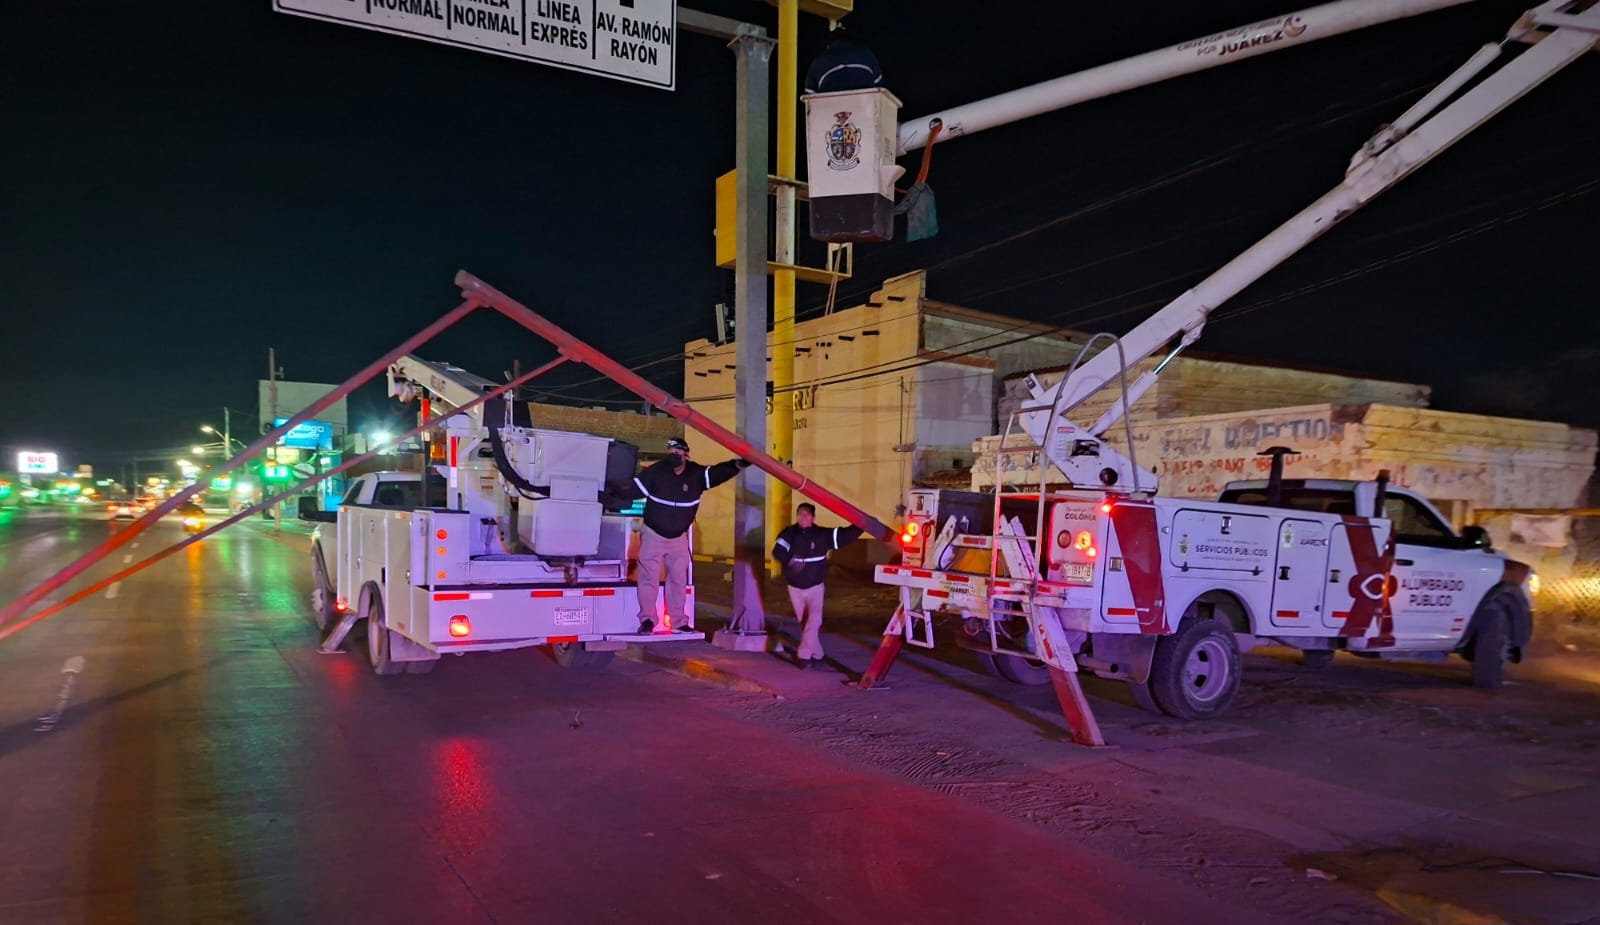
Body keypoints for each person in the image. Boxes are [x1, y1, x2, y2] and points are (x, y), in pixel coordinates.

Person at [611, 437, 750, 634]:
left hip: (678, 539)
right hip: (653, 535)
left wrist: (737, 465)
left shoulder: (696, 475)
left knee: (678, 581)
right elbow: (632, 489)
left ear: (686, 455)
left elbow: (717, 473)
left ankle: (678, 621)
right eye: (670, 452)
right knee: (648, 579)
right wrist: (611, 491)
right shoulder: (657, 471)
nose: (673, 456)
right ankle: (648, 620)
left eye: (677, 452)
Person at [772, 503, 864, 669]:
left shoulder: (822, 534)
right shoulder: (788, 533)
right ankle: (818, 654)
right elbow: (777, 551)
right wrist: (790, 561)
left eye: (807, 514)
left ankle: (803, 656)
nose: (803, 517)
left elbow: (844, 535)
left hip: (815, 587)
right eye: (800, 514)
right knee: (805, 624)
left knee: (814, 621)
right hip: (795, 587)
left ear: (813, 517)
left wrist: (862, 524)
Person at [804, 25, 883, 94]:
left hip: (831, 105)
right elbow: (879, 86)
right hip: (866, 103)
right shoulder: (866, 54)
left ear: (828, 44)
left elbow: (810, 93)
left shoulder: (818, 62)